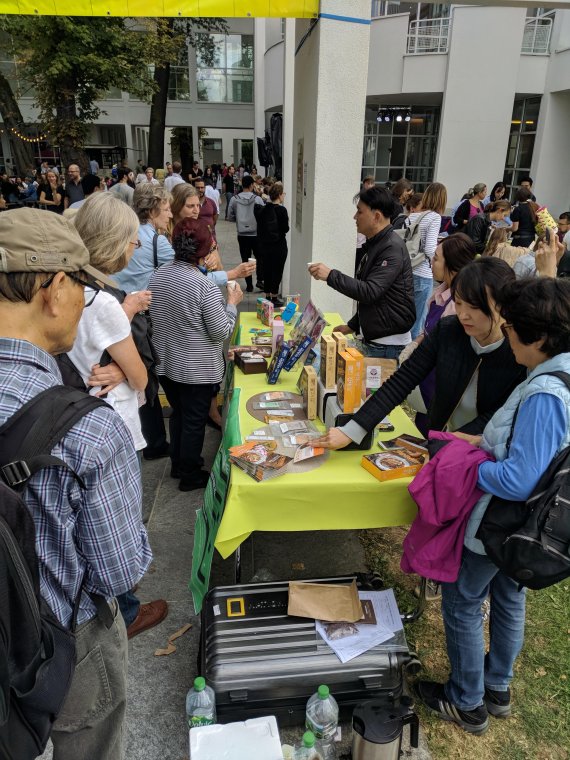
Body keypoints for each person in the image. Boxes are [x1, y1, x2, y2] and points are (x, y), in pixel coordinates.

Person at [0, 207, 153, 757]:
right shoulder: (87, 429)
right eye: (83, 287)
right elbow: (120, 569)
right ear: (55, 287)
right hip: (64, 640)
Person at [416, 275, 570, 735]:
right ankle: (497, 687)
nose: (506, 336)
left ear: (538, 337)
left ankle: (467, 701)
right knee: (507, 597)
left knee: (463, 602)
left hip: (503, 522)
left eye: (511, 328)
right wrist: (481, 440)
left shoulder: (545, 392)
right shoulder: (553, 374)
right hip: (524, 526)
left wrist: (467, 466)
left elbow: (520, 478)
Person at [70, 193, 168, 638]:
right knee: (116, 520)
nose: (135, 249)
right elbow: (142, 378)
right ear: (112, 243)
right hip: (111, 424)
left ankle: (108, 606)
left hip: (76, 415)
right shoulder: (103, 303)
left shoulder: (69, 289)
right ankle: (126, 612)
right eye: (131, 241)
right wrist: (129, 371)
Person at [315, 258, 526, 450]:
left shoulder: (520, 351)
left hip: (485, 450)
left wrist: (449, 443)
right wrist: (354, 429)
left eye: (474, 307)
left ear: (502, 305)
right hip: (440, 439)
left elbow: (502, 413)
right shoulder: (449, 330)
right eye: (459, 303)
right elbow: (403, 380)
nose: (463, 314)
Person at [149, 219, 243, 491]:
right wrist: (232, 304)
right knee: (194, 420)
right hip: (196, 368)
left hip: (167, 362)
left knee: (180, 414)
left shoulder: (159, 274)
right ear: (205, 251)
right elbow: (220, 331)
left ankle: (179, 463)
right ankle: (190, 473)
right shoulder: (204, 286)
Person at [309, 185, 415, 359]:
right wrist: (352, 326)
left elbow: (370, 291)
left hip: (386, 345)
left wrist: (330, 275)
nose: (354, 217)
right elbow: (376, 299)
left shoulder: (391, 248)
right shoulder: (377, 244)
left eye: (359, 212)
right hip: (375, 339)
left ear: (377, 216)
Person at [400, 233, 477, 434]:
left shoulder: (459, 309)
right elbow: (429, 332)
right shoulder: (439, 294)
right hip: (425, 381)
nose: (431, 262)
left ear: (453, 265)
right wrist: (415, 344)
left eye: (436, 258)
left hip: (441, 386)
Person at [405, 182, 448, 339]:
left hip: (407, 271)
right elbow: (430, 248)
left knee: (405, 316)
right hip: (423, 273)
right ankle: (408, 357)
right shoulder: (435, 217)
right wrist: (434, 262)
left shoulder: (413, 216)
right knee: (418, 322)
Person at [228, 174, 265, 293]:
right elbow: (263, 215)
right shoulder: (257, 199)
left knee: (245, 259)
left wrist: (238, 219)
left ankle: (249, 285)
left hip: (242, 234)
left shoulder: (234, 199)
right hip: (256, 234)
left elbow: (230, 216)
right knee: (260, 257)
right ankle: (260, 280)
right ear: (251, 185)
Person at [255, 181, 289, 307]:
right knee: (277, 271)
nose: (284, 196)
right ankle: (274, 297)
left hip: (265, 246)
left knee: (267, 270)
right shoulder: (282, 210)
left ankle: (267, 296)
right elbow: (285, 228)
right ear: (279, 195)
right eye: (283, 193)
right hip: (279, 246)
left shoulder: (263, 209)